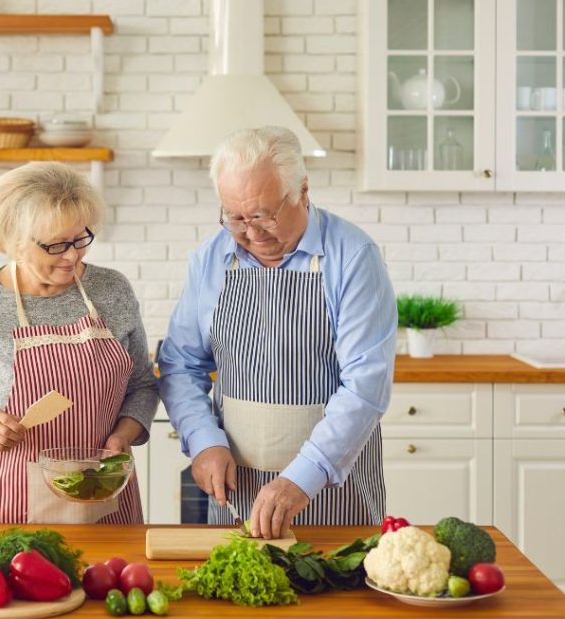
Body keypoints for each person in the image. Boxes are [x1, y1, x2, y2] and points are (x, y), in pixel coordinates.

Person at [157, 126, 397, 539]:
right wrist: (202, 440)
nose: (252, 234)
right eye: (235, 218)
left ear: (302, 191)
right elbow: (181, 364)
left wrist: (302, 478)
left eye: (264, 215)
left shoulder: (354, 257)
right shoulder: (211, 258)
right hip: (236, 495)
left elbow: (365, 387)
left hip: (331, 494)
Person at [0, 162, 159, 524]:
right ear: (14, 243)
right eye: (57, 245)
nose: (73, 255)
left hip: (102, 497)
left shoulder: (112, 291)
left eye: (81, 238)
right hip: (5, 506)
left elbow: (141, 384)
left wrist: (124, 435)